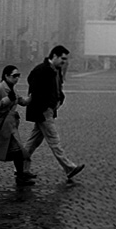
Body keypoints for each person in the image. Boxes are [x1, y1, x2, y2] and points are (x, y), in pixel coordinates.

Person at [22, 45, 85, 182]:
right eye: (62, 58)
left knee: (33, 142)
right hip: (43, 111)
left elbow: (57, 88)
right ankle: (69, 168)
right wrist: (45, 106)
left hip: (48, 110)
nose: (64, 61)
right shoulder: (41, 69)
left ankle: (21, 168)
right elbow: (33, 87)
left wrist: (60, 98)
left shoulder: (55, 70)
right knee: (54, 140)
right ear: (54, 56)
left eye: (66, 59)